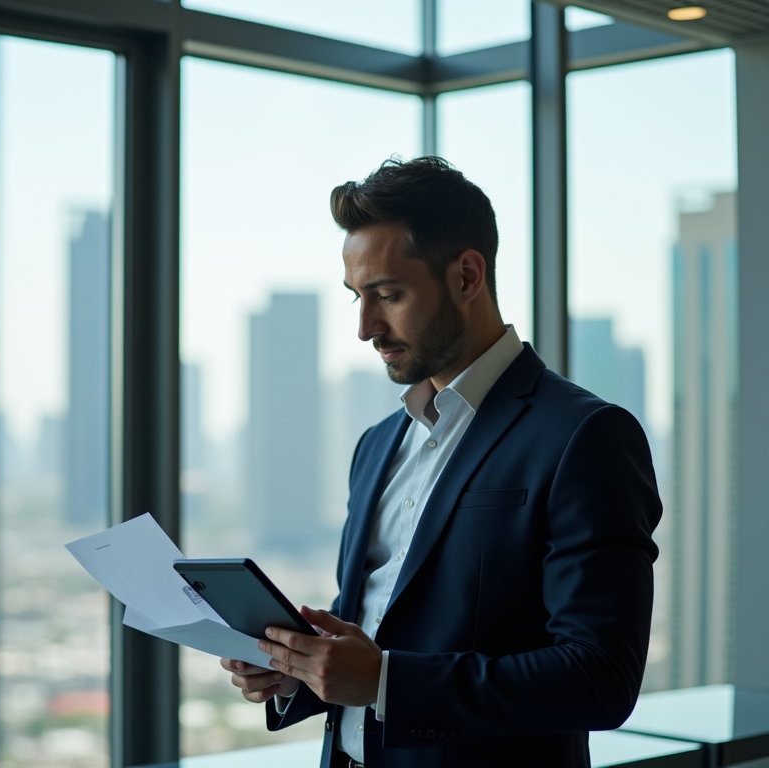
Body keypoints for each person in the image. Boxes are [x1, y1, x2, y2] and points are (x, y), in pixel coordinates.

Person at [219, 156, 662, 768]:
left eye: (388, 295)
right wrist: (303, 672)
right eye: (357, 298)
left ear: (467, 275)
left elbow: (599, 678)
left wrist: (384, 682)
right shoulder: (377, 444)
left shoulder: (585, 437)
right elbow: (375, 630)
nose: (365, 327)